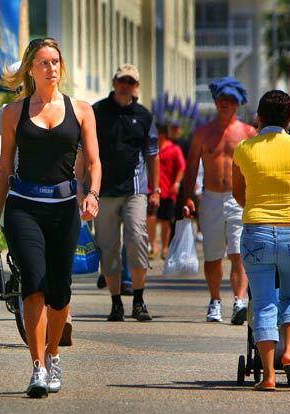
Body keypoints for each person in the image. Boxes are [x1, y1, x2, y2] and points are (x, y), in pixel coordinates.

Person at [0, 38, 101, 398]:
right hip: (24, 207)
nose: (51, 68)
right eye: (44, 62)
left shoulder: (81, 111)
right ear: (31, 69)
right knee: (34, 282)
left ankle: (53, 352)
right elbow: (3, 171)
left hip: (65, 210)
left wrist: (92, 195)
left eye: (55, 62)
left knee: (60, 293)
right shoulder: (14, 113)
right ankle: (38, 366)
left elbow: (94, 162)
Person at [233, 90, 290, 390]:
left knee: (264, 300)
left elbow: (238, 194)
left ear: (259, 116)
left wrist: (258, 207)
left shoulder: (244, 148)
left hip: (257, 230)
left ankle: (268, 375)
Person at [183, 76, 257, 325]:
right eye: (221, 99)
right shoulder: (203, 132)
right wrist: (188, 197)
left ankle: (239, 301)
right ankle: (215, 301)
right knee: (213, 255)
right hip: (211, 197)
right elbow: (191, 167)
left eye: (230, 99)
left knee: (238, 253)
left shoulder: (248, 133)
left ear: (237, 103)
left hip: (238, 198)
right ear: (215, 101)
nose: (225, 103)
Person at [93, 64, 160, 322]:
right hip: (104, 191)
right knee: (108, 248)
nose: (125, 86)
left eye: (131, 82)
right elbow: (84, 150)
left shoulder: (144, 116)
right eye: (122, 81)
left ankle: (139, 301)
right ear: (114, 82)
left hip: (135, 190)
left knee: (136, 239)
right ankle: (115, 303)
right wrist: (81, 187)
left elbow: (153, 155)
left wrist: (156, 189)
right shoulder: (97, 111)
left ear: (136, 87)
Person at [148, 123, 185, 260]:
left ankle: (165, 247)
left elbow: (182, 167)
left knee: (165, 221)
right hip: (151, 189)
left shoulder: (174, 149)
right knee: (150, 219)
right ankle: (153, 246)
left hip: (167, 190)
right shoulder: (151, 149)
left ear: (162, 134)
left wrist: (176, 183)